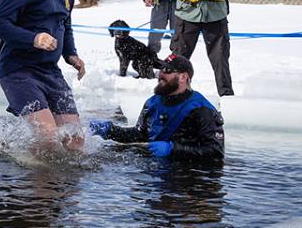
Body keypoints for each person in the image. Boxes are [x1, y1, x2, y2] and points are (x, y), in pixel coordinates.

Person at [0, 0, 87, 151]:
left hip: (50, 71)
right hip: (18, 70)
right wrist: (34, 38)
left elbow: (65, 25)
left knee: (76, 141)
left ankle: (61, 175)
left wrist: (71, 54)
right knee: (47, 137)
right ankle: (29, 171)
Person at [89, 54, 225, 160]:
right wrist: (111, 130)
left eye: (167, 70)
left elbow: (216, 151)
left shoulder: (202, 109)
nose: (161, 74)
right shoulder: (152, 103)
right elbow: (140, 135)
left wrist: (172, 150)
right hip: (152, 174)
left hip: (187, 177)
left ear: (183, 77)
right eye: (160, 69)